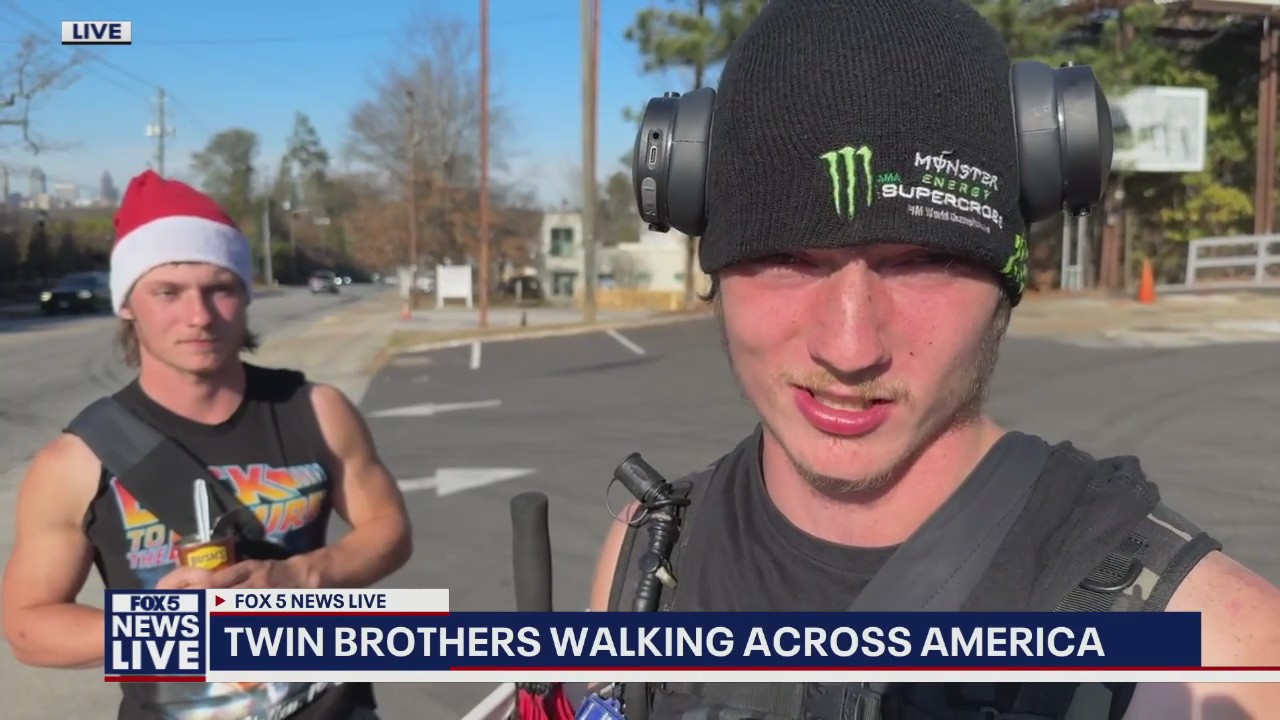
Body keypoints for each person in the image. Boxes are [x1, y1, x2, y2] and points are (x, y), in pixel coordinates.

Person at [589, 1, 1280, 718]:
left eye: (923, 261)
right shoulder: (646, 557)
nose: (850, 348)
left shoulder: (1212, 661)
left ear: (1005, 281)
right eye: (784, 257)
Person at [0, 170, 413, 720]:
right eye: (167, 292)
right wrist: (161, 630)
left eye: (219, 288)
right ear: (128, 304)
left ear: (244, 295)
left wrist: (299, 577)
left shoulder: (316, 409)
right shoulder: (76, 460)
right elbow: (29, 627)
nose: (198, 316)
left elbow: (390, 530)